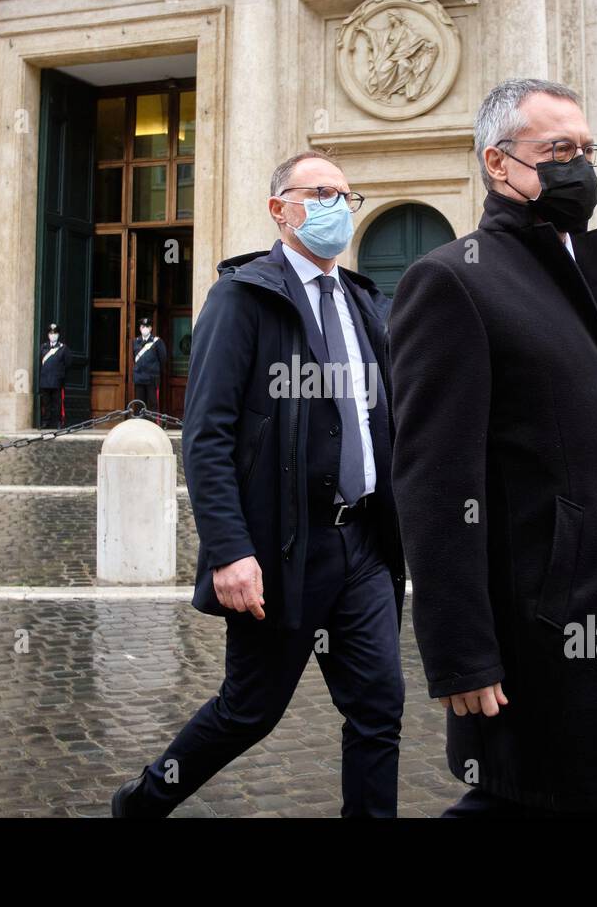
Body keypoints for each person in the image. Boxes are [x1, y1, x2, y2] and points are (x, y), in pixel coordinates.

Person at [388, 78, 597, 818]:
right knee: (532, 795)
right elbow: (431, 482)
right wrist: (461, 651)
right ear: (498, 163)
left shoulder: (592, 276)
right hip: (538, 622)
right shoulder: (450, 282)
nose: (578, 167)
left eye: (588, 150)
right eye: (559, 149)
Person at [112, 151, 406, 818]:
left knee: (379, 706)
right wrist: (228, 551)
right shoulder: (243, 297)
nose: (337, 206)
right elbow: (207, 434)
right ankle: (145, 800)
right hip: (281, 551)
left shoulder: (364, 302)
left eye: (346, 195)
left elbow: (383, 418)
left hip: (361, 543)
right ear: (280, 209)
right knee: (249, 712)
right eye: (321, 192)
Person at [130, 316, 167, 420]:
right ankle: (139, 425)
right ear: (140, 328)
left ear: (151, 328)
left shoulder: (157, 341)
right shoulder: (135, 341)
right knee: (139, 403)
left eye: (147, 326)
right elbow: (134, 358)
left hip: (152, 378)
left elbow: (163, 359)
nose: (144, 328)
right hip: (139, 378)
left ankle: (153, 425)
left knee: (152, 404)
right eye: (142, 326)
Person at [38, 323, 69, 429]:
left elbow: (68, 363)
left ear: (58, 334)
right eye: (51, 333)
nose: (53, 335)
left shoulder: (63, 348)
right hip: (45, 380)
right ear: (48, 334)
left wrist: (61, 376)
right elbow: (39, 363)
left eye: (55, 333)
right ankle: (46, 421)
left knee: (57, 403)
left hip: (57, 380)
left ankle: (59, 422)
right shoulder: (43, 347)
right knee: (46, 403)